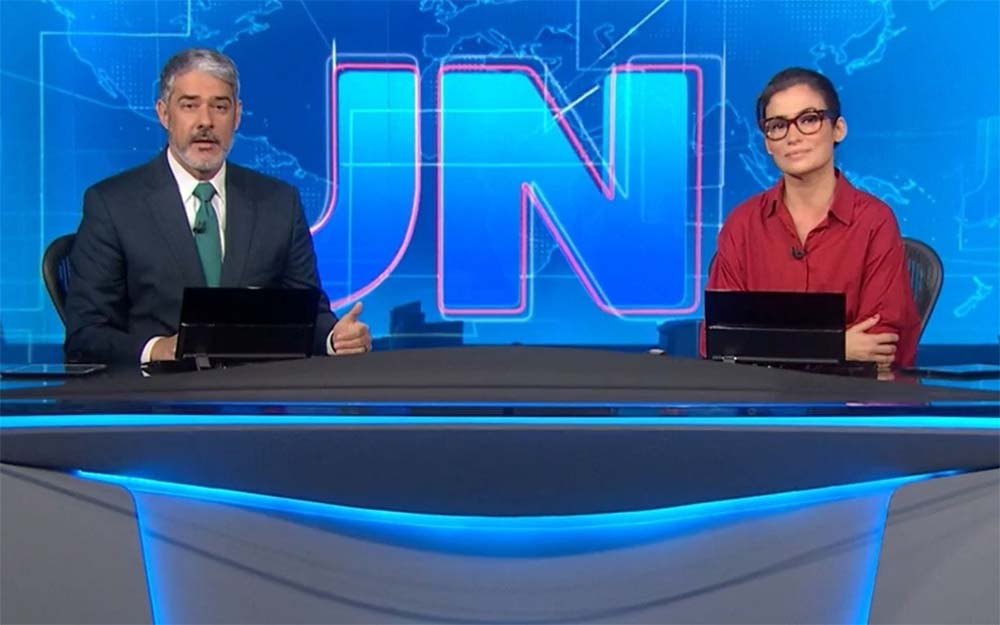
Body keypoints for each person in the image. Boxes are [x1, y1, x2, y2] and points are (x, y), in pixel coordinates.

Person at [64, 48, 371, 366]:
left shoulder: (280, 203)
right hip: (158, 391)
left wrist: (335, 338)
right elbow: (86, 335)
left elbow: (307, 316)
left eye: (220, 107)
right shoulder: (113, 205)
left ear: (237, 116)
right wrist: (155, 350)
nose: (206, 122)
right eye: (189, 105)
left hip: (255, 389)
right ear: (164, 114)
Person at [705, 67, 920, 368]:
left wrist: (768, 345)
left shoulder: (875, 221)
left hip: (850, 396)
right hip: (763, 394)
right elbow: (720, 343)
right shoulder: (742, 225)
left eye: (808, 120)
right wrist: (835, 345)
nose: (793, 137)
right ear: (767, 143)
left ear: (838, 129)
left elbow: (880, 347)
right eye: (778, 126)